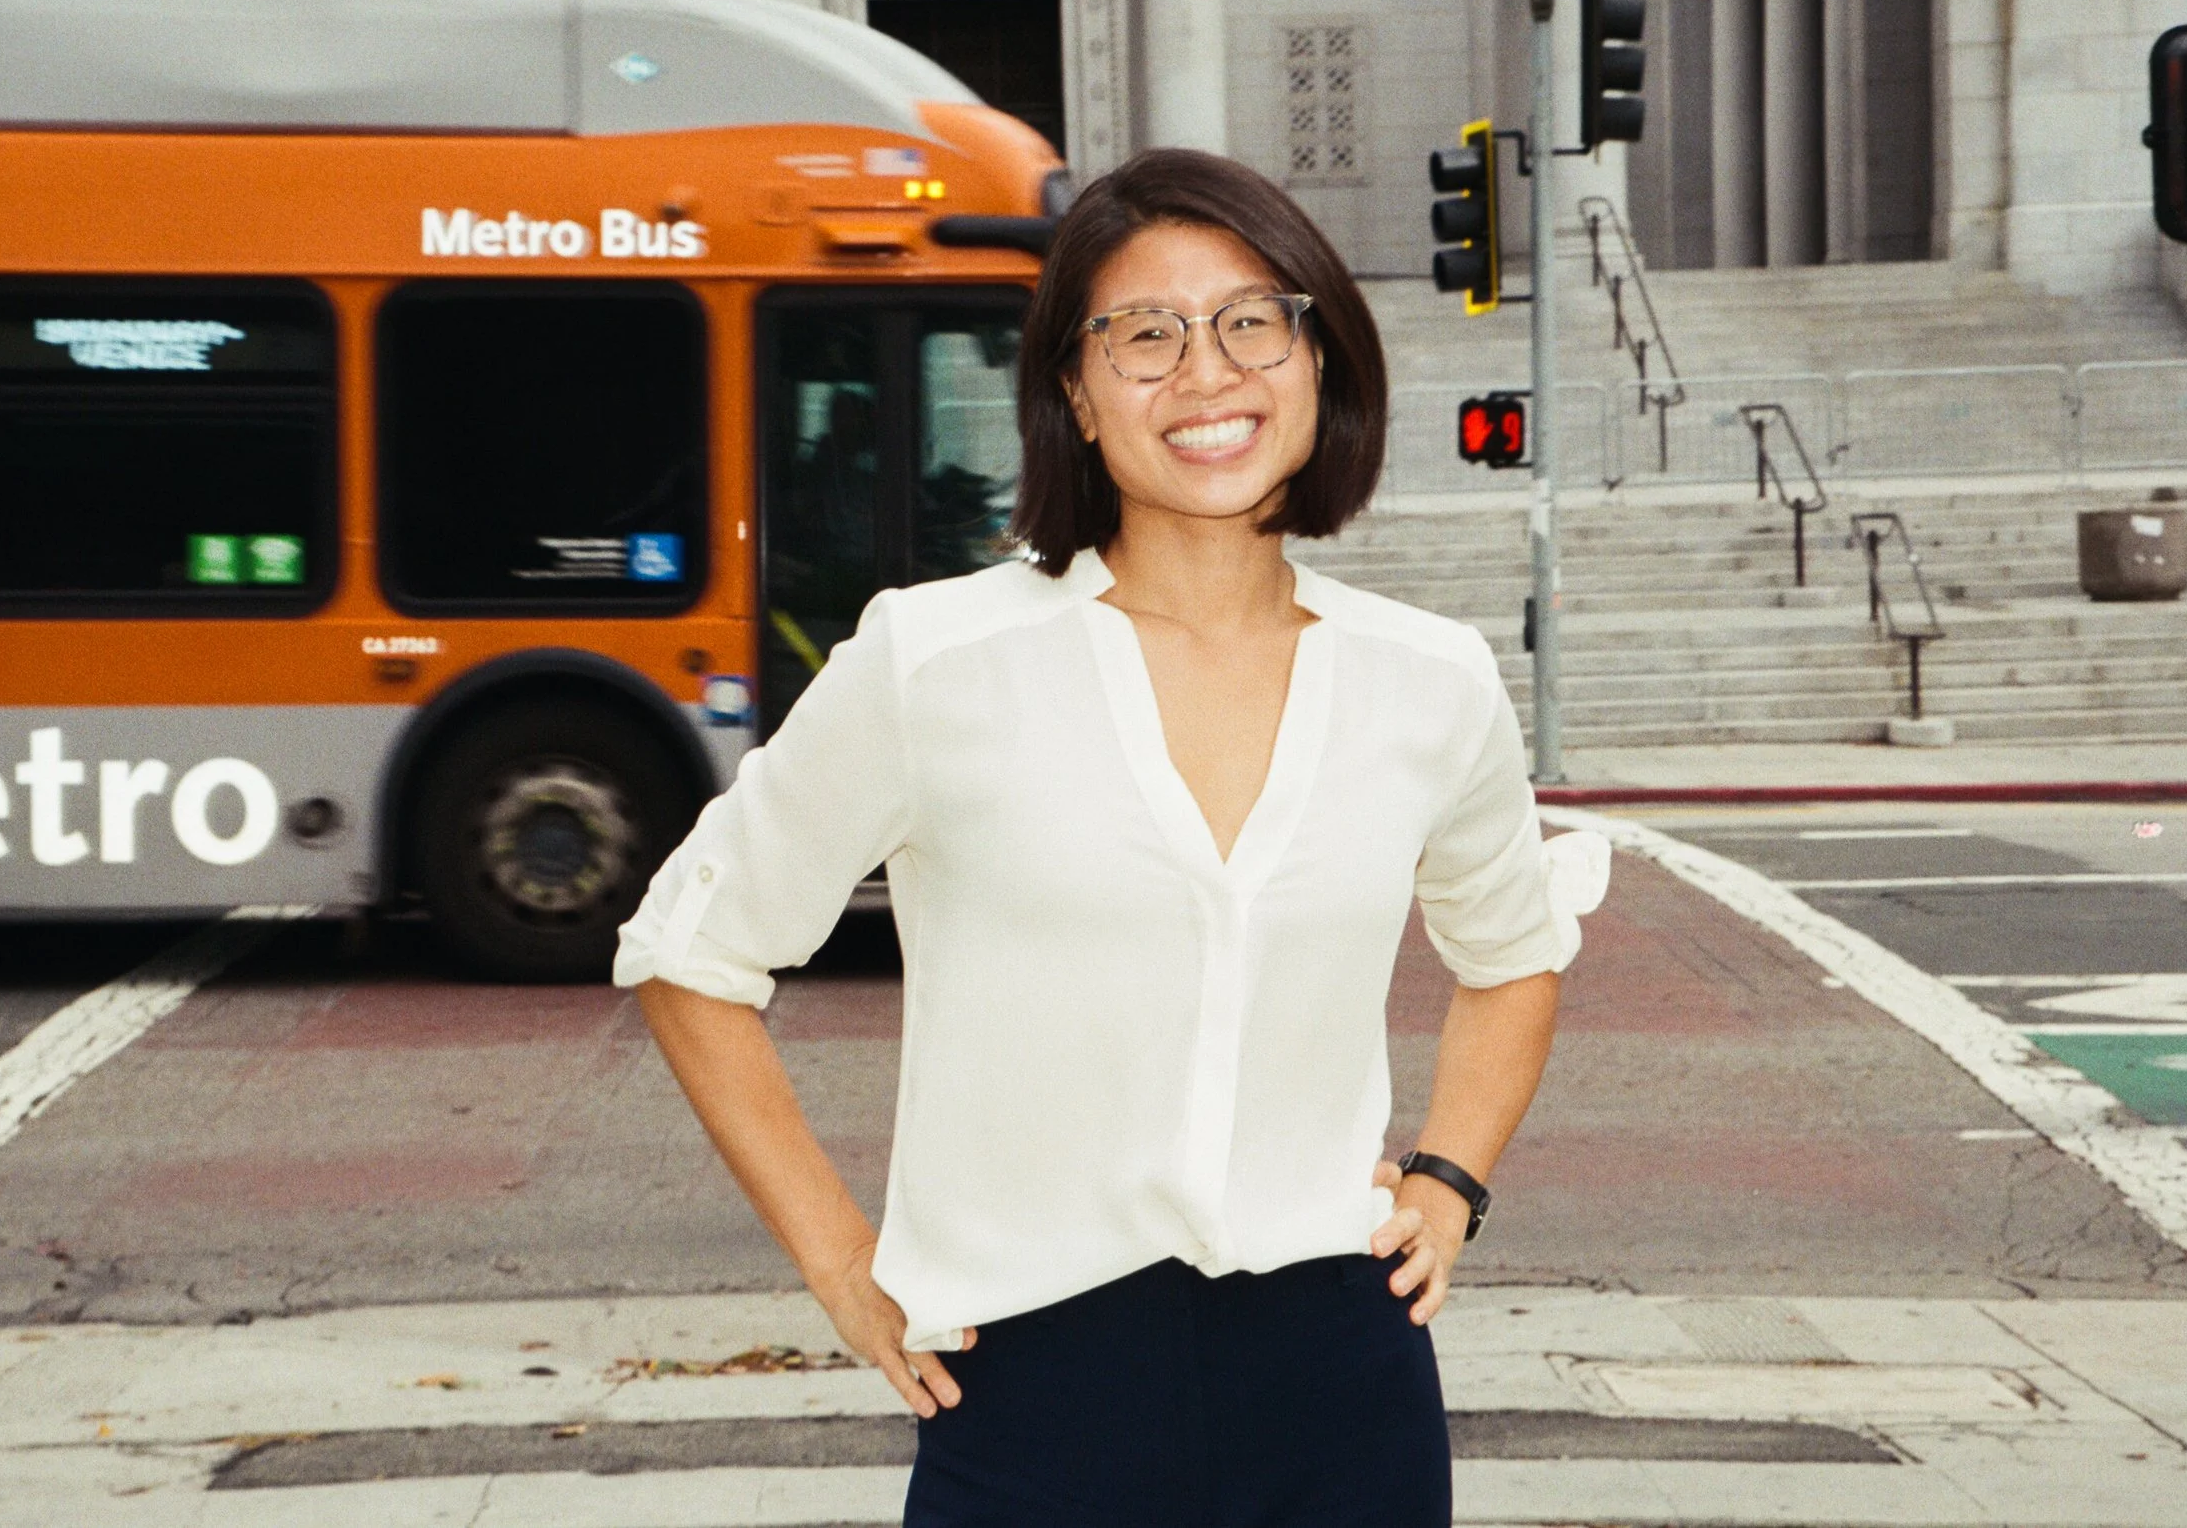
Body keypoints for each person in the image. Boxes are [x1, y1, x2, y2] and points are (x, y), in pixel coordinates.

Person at [617, 147, 1607, 1527]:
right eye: (1146, 334)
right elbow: (692, 952)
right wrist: (845, 1262)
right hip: (1029, 1399)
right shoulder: (938, 659)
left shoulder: (1426, 678)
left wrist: (1447, 1178)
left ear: (1323, 359)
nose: (1207, 373)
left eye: (1254, 320)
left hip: (1343, 1389)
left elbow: (1514, 951)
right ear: (1075, 392)